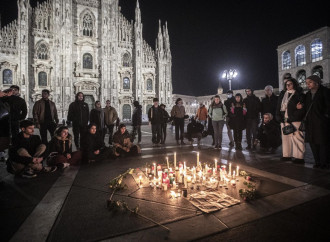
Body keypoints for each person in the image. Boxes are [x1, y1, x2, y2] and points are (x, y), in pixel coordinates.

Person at [276, 77, 305, 163]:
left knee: (297, 138)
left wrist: (292, 117)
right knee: (286, 138)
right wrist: (279, 117)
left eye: (290, 84)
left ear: (294, 84)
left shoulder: (299, 94)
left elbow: (301, 108)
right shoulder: (283, 94)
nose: (288, 85)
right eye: (286, 84)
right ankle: (286, 155)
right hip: (284, 120)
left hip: (295, 120)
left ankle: (299, 157)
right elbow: (278, 107)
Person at [304, 75, 330, 169]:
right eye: (307, 83)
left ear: (316, 82)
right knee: (313, 142)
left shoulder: (325, 91)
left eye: (310, 82)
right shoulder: (307, 94)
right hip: (310, 123)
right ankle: (317, 161)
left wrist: (325, 116)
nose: (308, 85)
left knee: (323, 143)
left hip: (321, 123)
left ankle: (325, 162)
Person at [0, 89, 12, 162]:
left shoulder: (4, 101)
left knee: (3, 139)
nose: (3, 93)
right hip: (2, 121)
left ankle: (1, 154)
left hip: (4, 122)